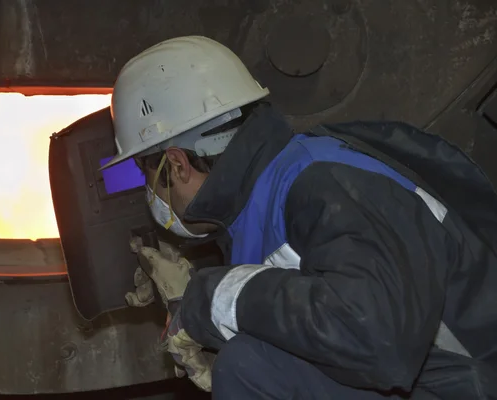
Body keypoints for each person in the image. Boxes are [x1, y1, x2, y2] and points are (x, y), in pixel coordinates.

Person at [101, 36, 497, 399]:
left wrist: (213, 298)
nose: (150, 192)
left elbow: (379, 339)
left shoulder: (322, 181)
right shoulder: (263, 201)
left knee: (247, 368)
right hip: (441, 379)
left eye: (146, 174)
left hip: (474, 381)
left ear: (176, 164)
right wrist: (198, 313)